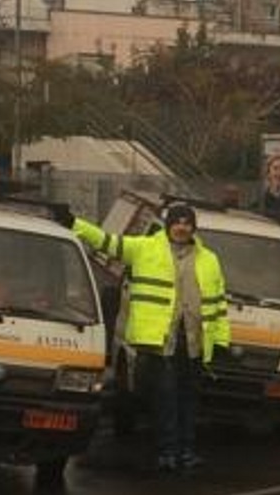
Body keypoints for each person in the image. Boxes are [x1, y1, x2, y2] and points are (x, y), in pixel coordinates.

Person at [68, 200, 228, 472]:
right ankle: (167, 452)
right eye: (177, 222)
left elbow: (219, 304)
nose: (182, 228)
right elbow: (107, 242)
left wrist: (221, 341)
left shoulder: (209, 260)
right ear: (168, 225)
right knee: (166, 399)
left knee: (188, 401)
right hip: (160, 342)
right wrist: (74, 223)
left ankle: (186, 451)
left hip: (194, 344)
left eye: (187, 223)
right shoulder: (145, 248)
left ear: (194, 228)